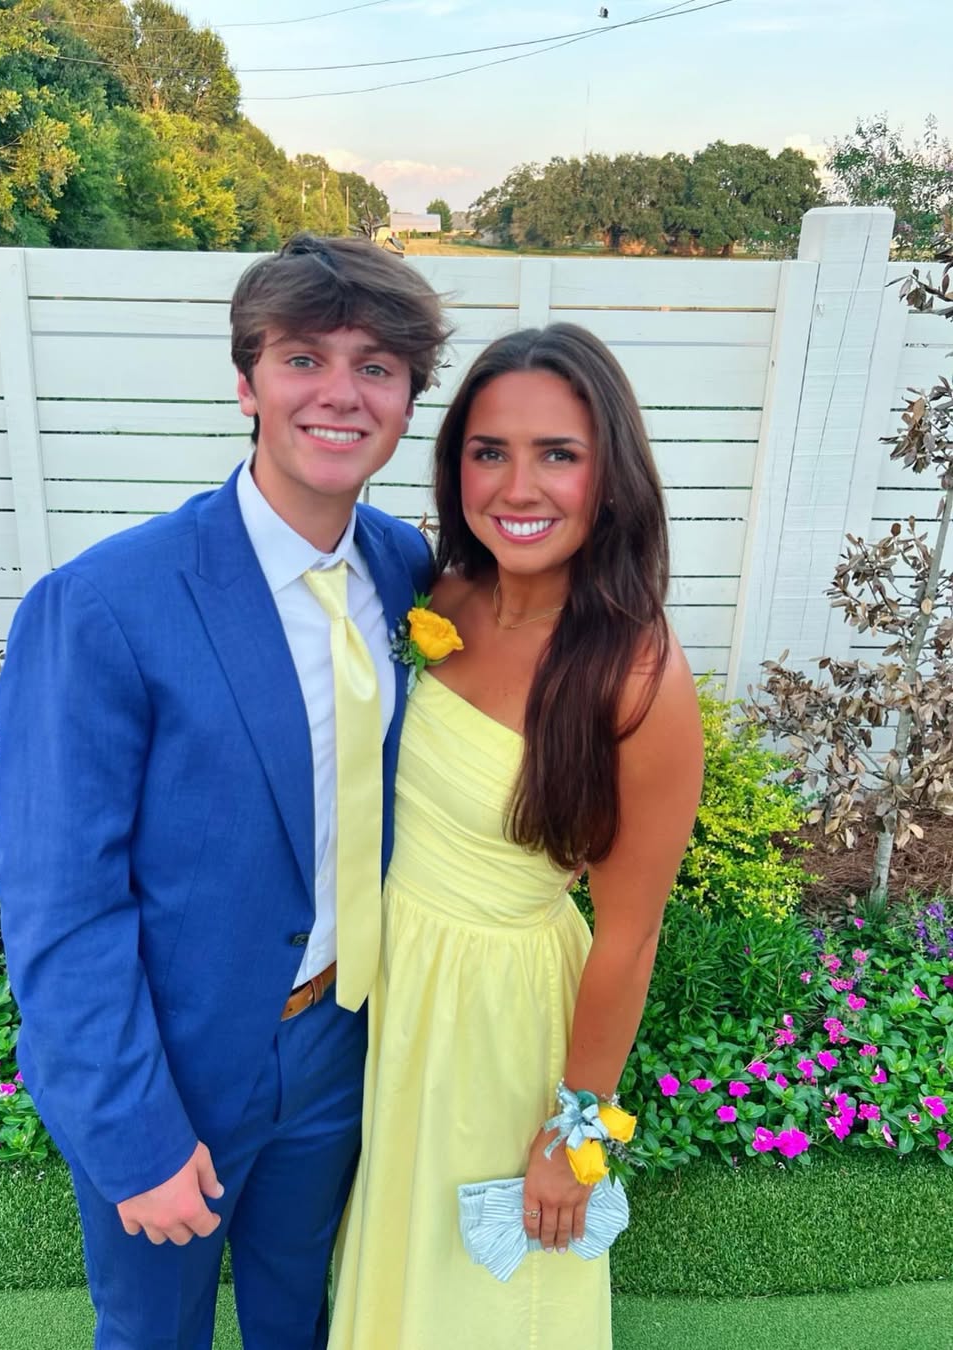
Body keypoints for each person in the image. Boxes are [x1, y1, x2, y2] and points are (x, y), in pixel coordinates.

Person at [0, 233, 450, 1350]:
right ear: (247, 383)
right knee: (154, 1333)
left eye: (376, 367)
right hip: (175, 1066)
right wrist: (131, 1133)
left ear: (408, 400)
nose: (340, 394)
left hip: (340, 1043)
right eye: (304, 359)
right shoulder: (104, 603)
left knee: (302, 1319)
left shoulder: (405, 567)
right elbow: (61, 902)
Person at [329, 323, 705, 1348]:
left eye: (559, 455)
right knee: (400, 1254)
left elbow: (630, 936)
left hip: (502, 1018)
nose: (518, 487)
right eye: (489, 451)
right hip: (396, 985)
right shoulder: (442, 595)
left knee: (489, 1300)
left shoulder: (639, 677)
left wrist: (575, 1135)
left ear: (610, 476)